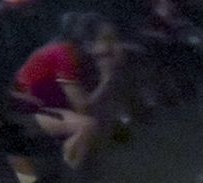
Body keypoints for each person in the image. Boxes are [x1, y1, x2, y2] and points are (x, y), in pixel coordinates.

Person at [12, 12, 126, 169]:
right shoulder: (64, 56)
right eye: (105, 39)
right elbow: (82, 106)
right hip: (25, 111)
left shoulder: (79, 55)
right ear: (88, 42)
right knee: (86, 125)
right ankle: (71, 169)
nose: (110, 45)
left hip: (48, 102)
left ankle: (85, 159)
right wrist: (106, 79)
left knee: (98, 111)